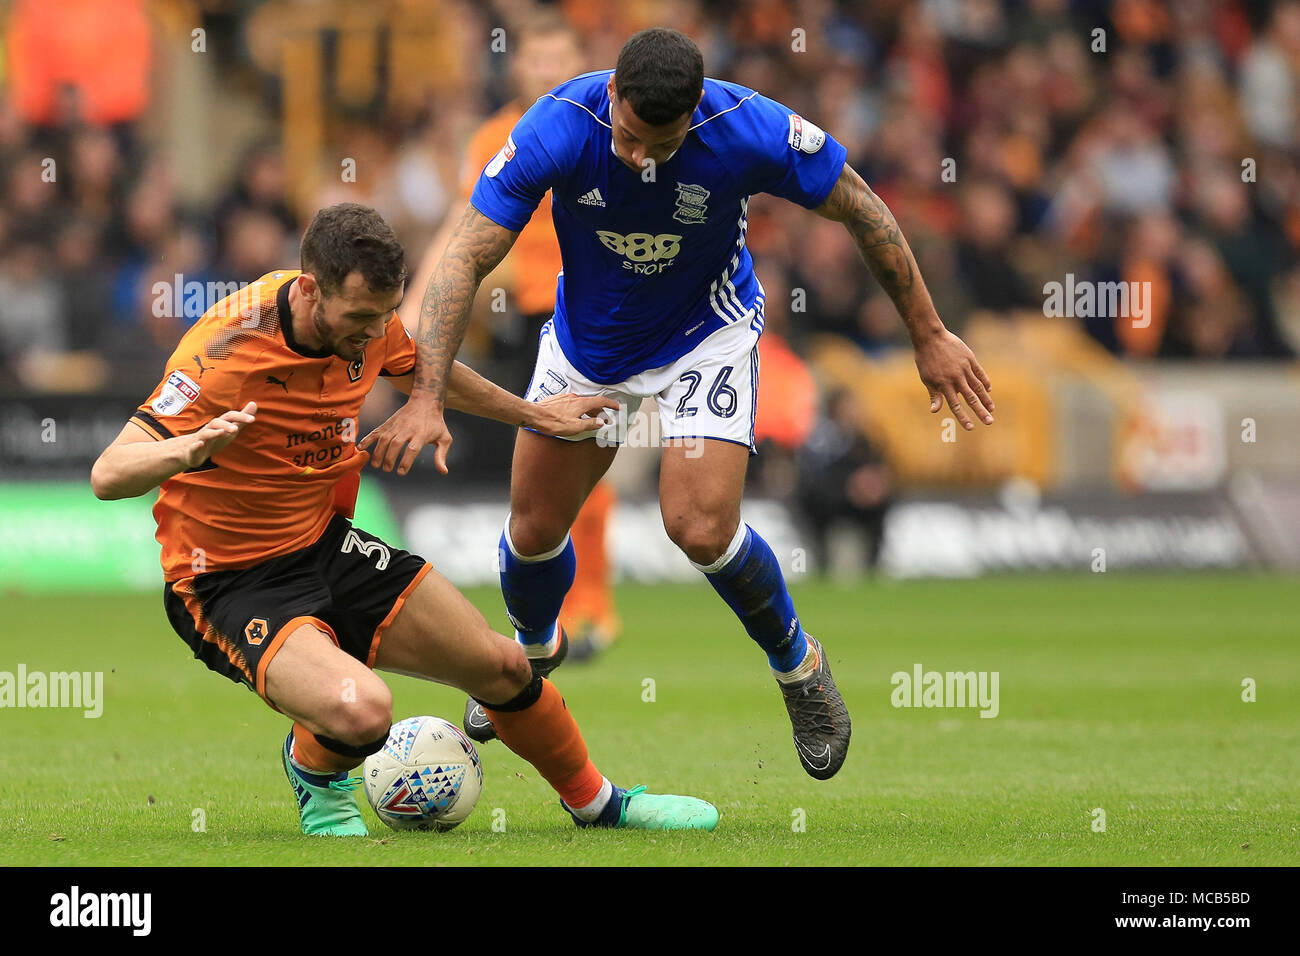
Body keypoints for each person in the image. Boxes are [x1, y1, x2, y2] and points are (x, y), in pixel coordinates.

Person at [361, 29, 995, 781]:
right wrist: (429, 394)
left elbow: (862, 206)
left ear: (694, 113)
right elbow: (465, 254)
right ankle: (529, 654)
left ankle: (800, 668)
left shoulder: (748, 128)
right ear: (613, 98)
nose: (638, 157)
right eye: (628, 136)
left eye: (657, 144)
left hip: (706, 334)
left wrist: (928, 335)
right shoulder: (560, 124)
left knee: (697, 526)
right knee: (532, 530)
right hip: (589, 348)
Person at [91, 202, 717, 835]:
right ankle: (313, 771)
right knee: (365, 712)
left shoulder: (369, 318)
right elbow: (108, 473)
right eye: (362, 317)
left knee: (503, 668)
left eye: (385, 316)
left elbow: (427, 371)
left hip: (322, 543)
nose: (375, 333)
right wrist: (187, 449)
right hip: (228, 579)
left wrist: (538, 415)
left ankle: (600, 806)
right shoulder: (224, 353)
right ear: (310, 290)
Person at [403, 13, 620, 683]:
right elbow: (467, 221)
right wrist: (418, 301)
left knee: (587, 458)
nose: (550, 71)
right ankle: (550, 616)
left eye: (562, 58)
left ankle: (593, 611)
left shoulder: (614, 127)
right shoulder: (497, 137)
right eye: (538, 60)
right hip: (530, 315)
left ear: (581, 61)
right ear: (517, 67)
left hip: (597, 309)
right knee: (546, 465)